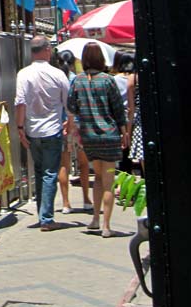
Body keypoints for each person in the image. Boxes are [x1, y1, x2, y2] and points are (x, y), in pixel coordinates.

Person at [67, 41, 129, 237]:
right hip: (109, 134)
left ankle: (95, 218)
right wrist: (124, 131)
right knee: (109, 182)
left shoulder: (77, 81)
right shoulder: (108, 80)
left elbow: (71, 106)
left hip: (89, 136)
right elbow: (118, 108)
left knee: (98, 178)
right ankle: (106, 226)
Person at [15, 35, 72, 231]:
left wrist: (20, 128)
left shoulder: (23, 74)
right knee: (49, 173)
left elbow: (20, 102)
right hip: (52, 130)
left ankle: (43, 213)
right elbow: (69, 103)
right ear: (47, 50)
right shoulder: (58, 74)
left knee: (39, 172)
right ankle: (46, 218)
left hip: (32, 130)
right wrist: (70, 122)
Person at [55, 50, 93, 214]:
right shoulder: (78, 80)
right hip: (80, 124)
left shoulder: (56, 79)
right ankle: (86, 199)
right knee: (83, 164)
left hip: (62, 125)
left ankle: (66, 203)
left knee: (64, 165)